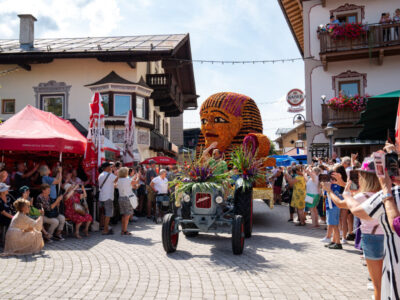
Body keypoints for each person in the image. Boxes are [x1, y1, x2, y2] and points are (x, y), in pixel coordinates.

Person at [323, 157, 384, 300]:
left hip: (372, 239)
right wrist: (343, 183)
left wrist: (329, 191)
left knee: (378, 285)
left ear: (365, 177)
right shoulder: (385, 194)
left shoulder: (363, 196)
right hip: (388, 237)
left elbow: (341, 203)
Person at [98, 162, 117, 235]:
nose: (111, 167)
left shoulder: (101, 175)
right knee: (108, 213)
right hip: (108, 196)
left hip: (102, 196)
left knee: (103, 212)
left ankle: (102, 226)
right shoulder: (109, 175)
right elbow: (116, 179)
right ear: (107, 167)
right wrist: (114, 171)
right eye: (110, 166)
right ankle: (105, 230)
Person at [117, 167, 137, 235]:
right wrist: (138, 176)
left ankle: (123, 230)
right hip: (127, 198)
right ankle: (124, 230)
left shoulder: (119, 180)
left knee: (123, 215)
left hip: (121, 198)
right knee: (127, 215)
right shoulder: (127, 179)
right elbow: (135, 182)